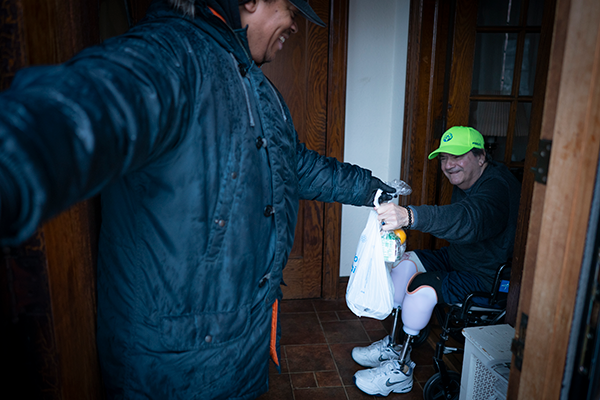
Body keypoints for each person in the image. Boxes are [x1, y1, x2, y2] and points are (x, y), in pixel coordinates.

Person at [0, 0, 396, 398]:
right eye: (291, 8)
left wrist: (376, 191)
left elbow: (298, 166)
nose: (294, 25)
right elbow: (79, 113)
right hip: (169, 366)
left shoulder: (259, 90)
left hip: (243, 352)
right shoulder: (172, 54)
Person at [351, 126, 522, 396]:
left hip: (485, 277)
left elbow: (469, 219)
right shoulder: (469, 177)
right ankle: (394, 346)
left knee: (420, 290)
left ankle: (401, 372)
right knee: (403, 264)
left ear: (481, 157)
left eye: (457, 156)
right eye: (443, 158)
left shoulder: (497, 188)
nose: (449, 165)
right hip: (458, 258)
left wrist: (409, 216)